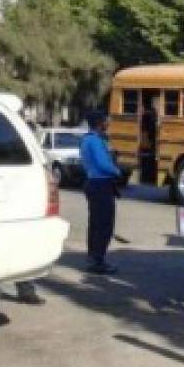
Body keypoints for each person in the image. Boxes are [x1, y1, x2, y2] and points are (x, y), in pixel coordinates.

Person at [80, 110, 122, 275]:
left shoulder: (86, 140)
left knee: (95, 223)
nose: (108, 123)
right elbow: (103, 163)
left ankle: (93, 257)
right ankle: (98, 260)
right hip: (101, 184)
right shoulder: (96, 141)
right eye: (106, 120)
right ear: (99, 123)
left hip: (92, 182)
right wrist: (117, 171)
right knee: (104, 224)